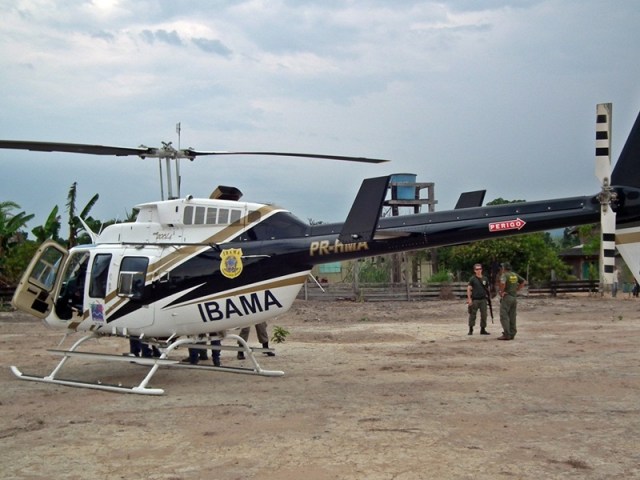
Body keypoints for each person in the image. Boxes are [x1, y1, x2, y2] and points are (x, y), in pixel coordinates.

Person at [498, 262, 526, 340]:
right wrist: (517, 289)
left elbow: (502, 283)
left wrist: (501, 292)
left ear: (504, 268)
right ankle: (512, 333)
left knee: (504, 315)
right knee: (512, 316)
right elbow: (523, 281)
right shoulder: (514, 275)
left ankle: (507, 334)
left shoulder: (504, 275)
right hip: (514, 297)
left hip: (507, 297)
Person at [466, 263, 490, 335]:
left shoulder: (485, 278)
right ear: (474, 270)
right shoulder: (472, 279)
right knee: (472, 314)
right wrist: (469, 299)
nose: (479, 270)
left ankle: (483, 329)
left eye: (480, 269)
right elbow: (469, 289)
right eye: (477, 269)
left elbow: (487, 288)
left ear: (482, 270)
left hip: (483, 299)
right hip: (475, 299)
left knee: (484, 315)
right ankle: (471, 329)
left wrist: (488, 297)